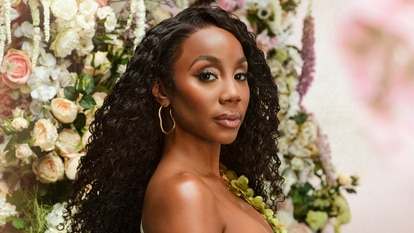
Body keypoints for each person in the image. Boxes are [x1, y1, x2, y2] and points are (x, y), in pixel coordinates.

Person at [65, 6, 284, 233]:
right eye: (207, 75)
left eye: (240, 75)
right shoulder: (184, 192)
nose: (233, 93)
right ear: (162, 91)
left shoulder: (222, 180)